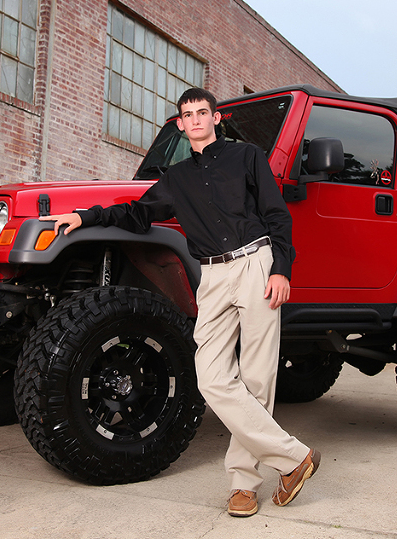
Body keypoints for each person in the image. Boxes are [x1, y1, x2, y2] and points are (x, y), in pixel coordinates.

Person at [42, 87, 320, 517]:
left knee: (258, 379)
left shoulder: (247, 157)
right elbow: (136, 214)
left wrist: (281, 268)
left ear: (216, 118)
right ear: (179, 124)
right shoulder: (176, 178)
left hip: (256, 267)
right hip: (212, 275)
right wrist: (86, 216)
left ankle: (243, 484)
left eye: (202, 113)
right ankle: (294, 458)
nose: (195, 120)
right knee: (211, 377)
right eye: (187, 115)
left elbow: (277, 215)